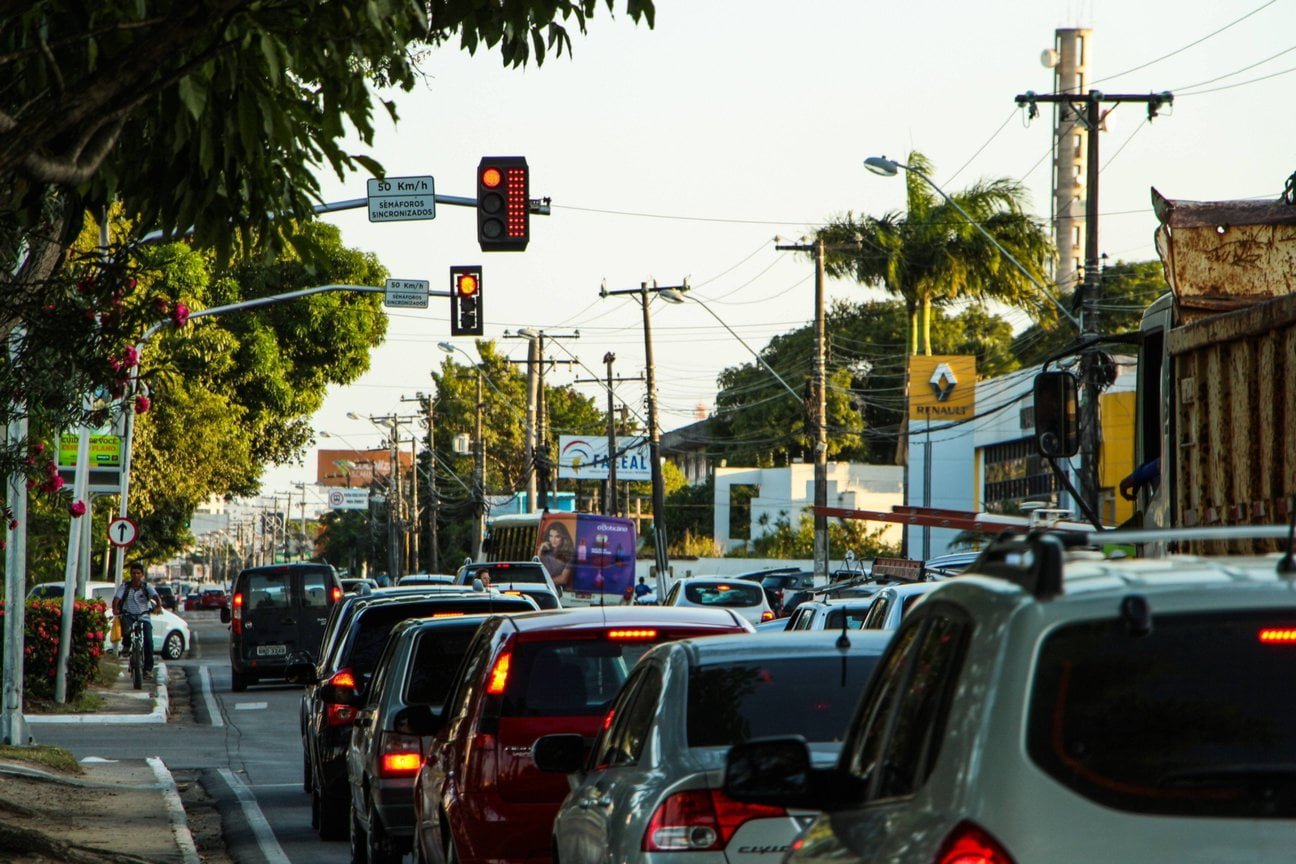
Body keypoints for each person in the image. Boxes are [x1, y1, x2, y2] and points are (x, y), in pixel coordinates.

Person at [113, 562, 162, 678]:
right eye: (133, 573)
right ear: (130, 574)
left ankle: (148, 669)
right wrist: (115, 609)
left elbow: (156, 597)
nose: (135, 575)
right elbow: (117, 599)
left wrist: (158, 606)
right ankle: (126, 646)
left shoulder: (146, 587)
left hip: (144, 616)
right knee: (127, 630)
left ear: (142, 575)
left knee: (149, 641)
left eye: (138, 573)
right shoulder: (125, 587)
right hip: (129, 615)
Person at [537, 521, 575, 588]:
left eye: (557, 536)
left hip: (558, 590)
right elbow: (537, 570)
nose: (553, 540)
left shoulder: (569, 554)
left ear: (563, 538)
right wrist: (540, 551)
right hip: (543, 588)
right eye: (551, 536)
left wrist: (544, 582)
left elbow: (563, 579)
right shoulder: (545, 551)